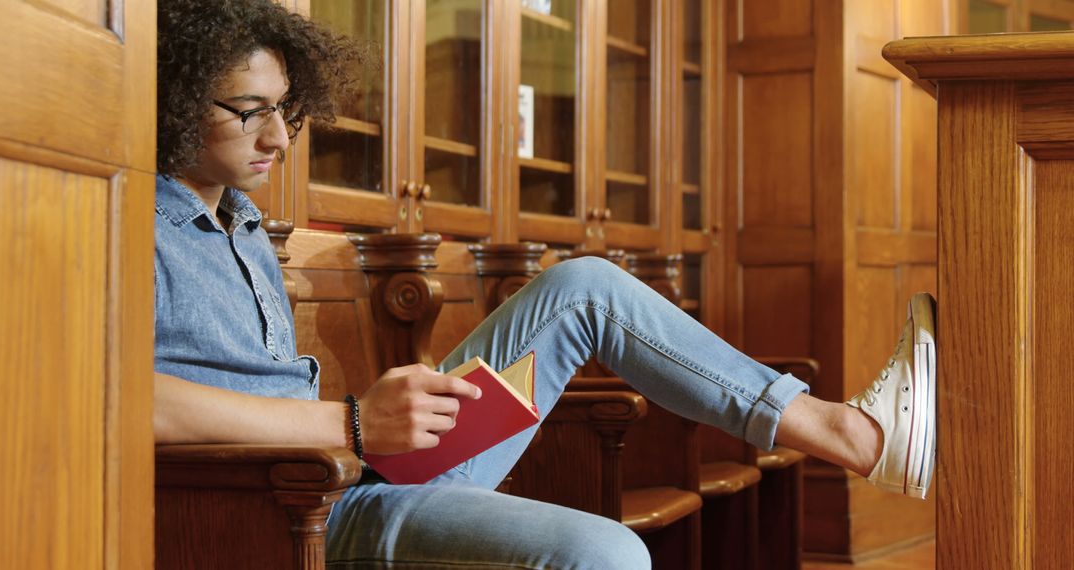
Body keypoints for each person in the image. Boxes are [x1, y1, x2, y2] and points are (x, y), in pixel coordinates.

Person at [154, 1, 937, 568]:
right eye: (249, 110)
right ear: (175, 98)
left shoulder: (246, 224)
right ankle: (852, 437)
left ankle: (853, 435)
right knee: (606, 553)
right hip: (288, 505)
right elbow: (133, 402)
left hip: (353, 472)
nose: (280, 136)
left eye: (286, 109)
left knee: (588, 285)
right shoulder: (132, 224)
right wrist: (351, 427)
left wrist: (380, 426)